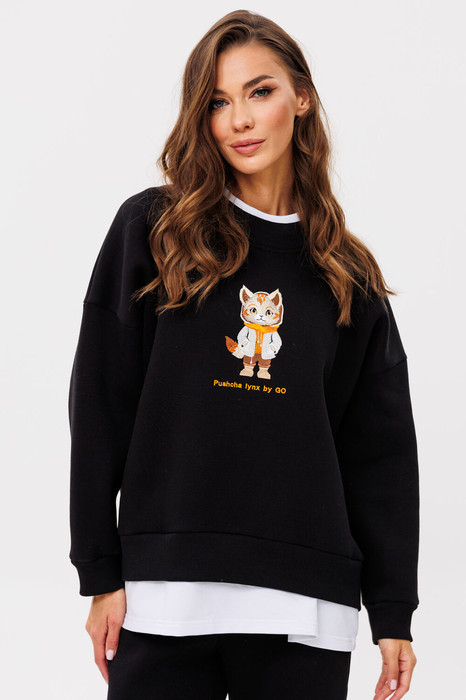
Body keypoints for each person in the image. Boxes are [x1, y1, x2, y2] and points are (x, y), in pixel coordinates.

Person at [68, 9, 420, 700]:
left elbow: (379, 454)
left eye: (260, 91)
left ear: (302, 97)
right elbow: (101, 404)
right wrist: (100, 572)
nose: (240, 120)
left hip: (304, 604)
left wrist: (393, 612)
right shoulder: (155, 230)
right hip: (164, 595)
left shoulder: (347, 276)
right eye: (217, 102)